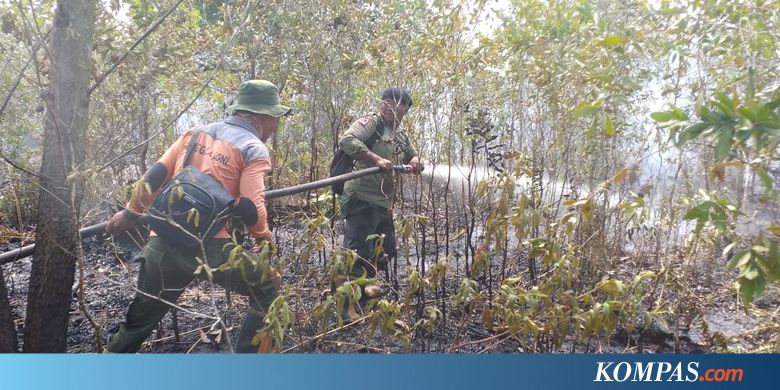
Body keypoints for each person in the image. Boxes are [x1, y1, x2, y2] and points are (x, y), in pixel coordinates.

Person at [104, 80, 290, 353]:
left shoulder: (194, 133)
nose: (275, 127)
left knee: (137, 324)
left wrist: (131, 213)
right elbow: (252, 206)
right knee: (267, 283)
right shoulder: (253, 148)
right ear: (263, 117)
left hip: (162, 241)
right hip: (210, 248)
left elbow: (154, 176)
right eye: (276, 119)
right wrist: (263, 239)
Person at [337, 87, 423, 297]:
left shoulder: (400, 134)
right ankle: (348, 304)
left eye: (396, 105)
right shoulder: (371, 124)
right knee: (356, 253)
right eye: (386, 102)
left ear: (405, 110)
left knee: (384, 248)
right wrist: (375, 159)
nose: (388, 107)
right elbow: (347, 140)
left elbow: (411, 156)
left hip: (382, 202)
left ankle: (365, 288)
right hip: (361, 198)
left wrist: (415, 161)